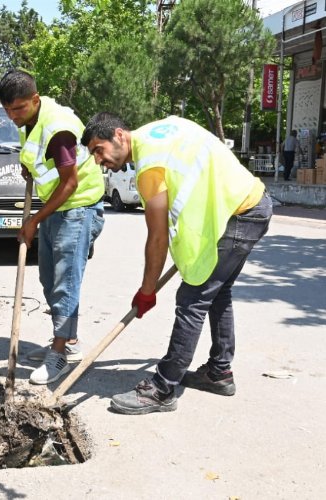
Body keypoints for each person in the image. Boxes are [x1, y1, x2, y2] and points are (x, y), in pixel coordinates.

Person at [81, 112, 272, 415]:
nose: (97, 160)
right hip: (250, 204)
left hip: (236, 214)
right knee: (216, 292)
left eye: (98, 150)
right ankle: (219, 372)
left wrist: (147, 291)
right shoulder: (161, 129)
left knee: (193, 298)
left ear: (119, 135)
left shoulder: (149, 169)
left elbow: (157, 238)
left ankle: (163, 388)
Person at [0, 69, 105, 385]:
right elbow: (37, 154)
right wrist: (27, 165)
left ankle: (59, 353)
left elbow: (70, 183)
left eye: (18, 109)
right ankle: (68, 340)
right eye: (7, 111)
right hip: (56, 208)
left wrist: (33, 221)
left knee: (65, 281)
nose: (13, 117)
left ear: (35, 99)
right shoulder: (28, 120)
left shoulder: (58, 129)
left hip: (77, 208)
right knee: (49, 276)